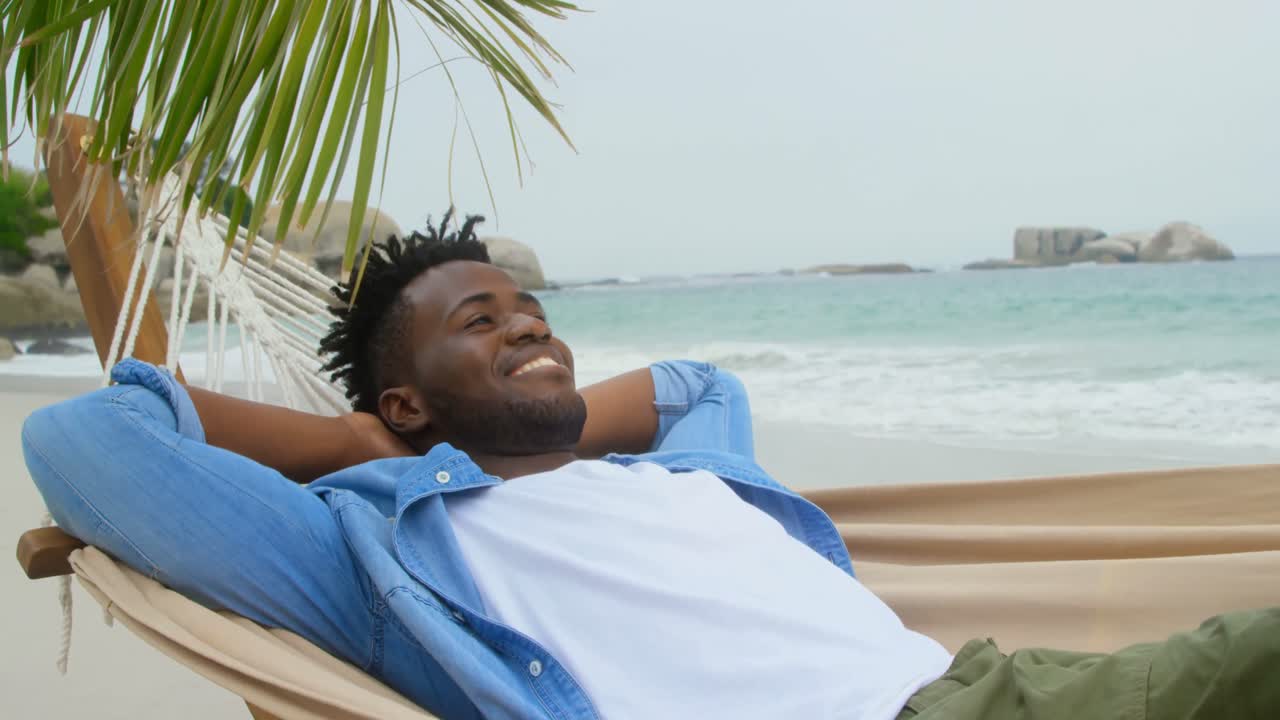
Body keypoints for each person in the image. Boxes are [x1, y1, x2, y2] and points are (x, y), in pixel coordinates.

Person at [22, 212, 1278, 720]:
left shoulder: (684, 477)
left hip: (996, 691)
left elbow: (696, 386)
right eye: (479, 321)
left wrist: (516, 423)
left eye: (529, 309)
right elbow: (83, 443)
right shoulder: (395, 551)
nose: (525, 325)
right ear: (407, 400)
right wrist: (367, 444)